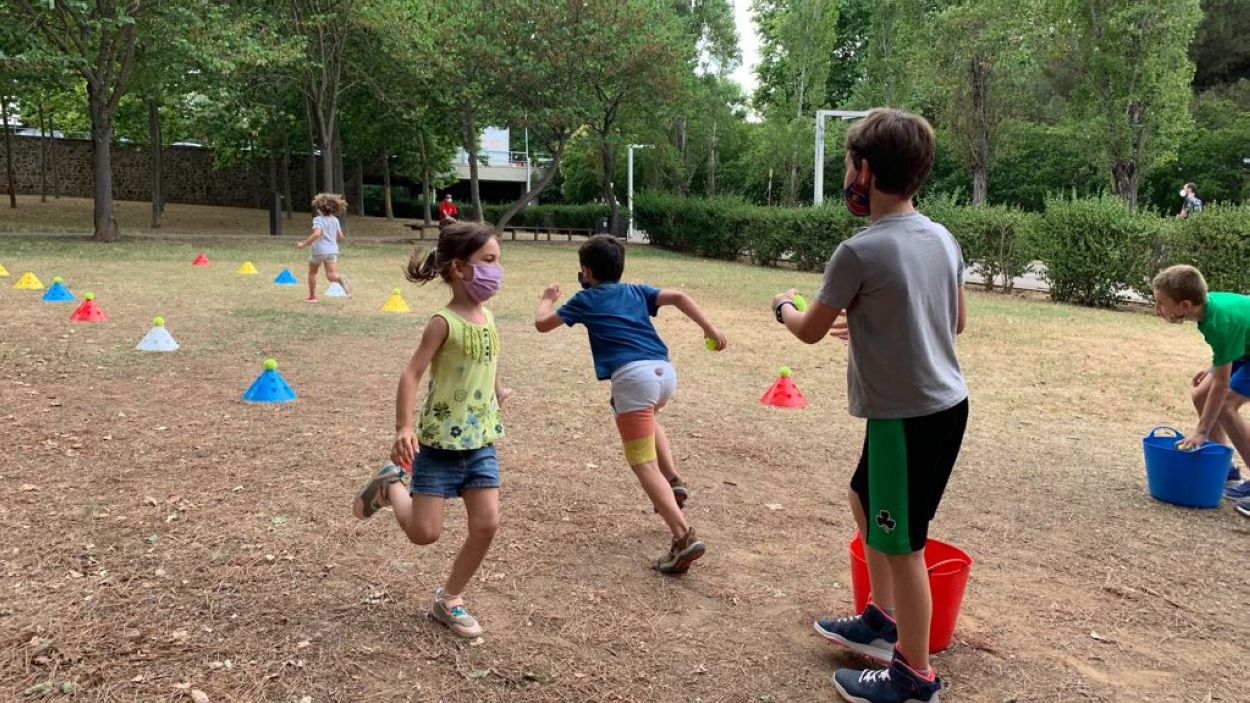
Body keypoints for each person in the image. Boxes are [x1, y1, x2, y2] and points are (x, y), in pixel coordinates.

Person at [772, 108, 968, 703]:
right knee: (863, 497)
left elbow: (808, 330)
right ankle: (881, 621)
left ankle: (914, 676)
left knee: (904, 546)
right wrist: (875, 323)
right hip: (940, 407)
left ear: (865, 171)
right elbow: (955, 320)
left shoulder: (859, 251)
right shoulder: (942, 237)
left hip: (906, 419)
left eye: (849, 165)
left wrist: (782, 306)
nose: (847, 176)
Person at [351, 222, 511, 638]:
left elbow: (488, 358)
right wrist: (404, 426)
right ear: (458, 268)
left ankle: (450, 598)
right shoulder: (443, 322)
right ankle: (390, 486)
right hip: (439, 444)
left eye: (498, 261)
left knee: (487, 524)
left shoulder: (489, 316)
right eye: (488, 261)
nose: (497, 270)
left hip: (480, 441)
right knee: (424, 534)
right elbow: (412, 373)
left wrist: (496, 389)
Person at [533, 235, 726, 574]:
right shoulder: (636, 291)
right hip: (664, 373)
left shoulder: (585, 298)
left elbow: (542, 324)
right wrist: (710, 329)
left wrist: (547, 299)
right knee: (649, 419)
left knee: (642, 463)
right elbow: (679, 297)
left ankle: (683, 537)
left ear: (586, 271)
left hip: (633, 379)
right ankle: (673, 480)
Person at [1150, 264, 1250, 507]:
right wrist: (1215, 367)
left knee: (1225, 406)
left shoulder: (1218, 323)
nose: (1157, 308)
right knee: (1201, 396)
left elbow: (1222, 386)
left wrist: (1201, 432)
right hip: (1245, 350)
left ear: (1184, 305)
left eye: (1161, 303)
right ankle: (1224, 467)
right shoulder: (1208, 308)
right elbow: (1237, 336)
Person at [295, 193, 350, 302]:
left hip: (319, 250)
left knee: (312, 272)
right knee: (331, 275)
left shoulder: (318, 219)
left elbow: (317, 234)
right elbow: (340, 237)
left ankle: (312, 297)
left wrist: (304, 243)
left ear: (319, 208)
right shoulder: (335, 220)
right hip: (333, 250)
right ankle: (340, 279)